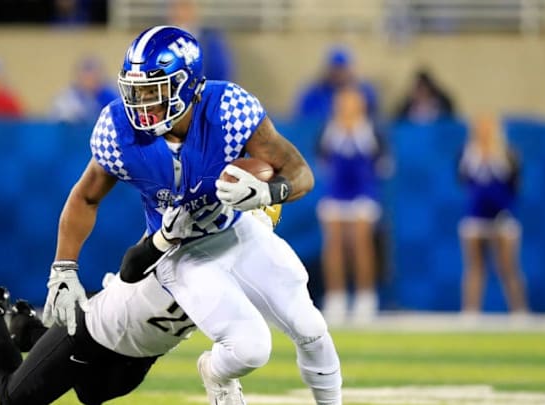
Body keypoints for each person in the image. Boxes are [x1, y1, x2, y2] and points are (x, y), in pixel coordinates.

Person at [44, 26, 342, 405]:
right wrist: (64, 267)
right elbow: (85, 197)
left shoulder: (228, 109)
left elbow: (301, 173)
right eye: (135, 90)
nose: (141, 102)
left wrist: (269, 192)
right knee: (250, 348)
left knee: (311, 327)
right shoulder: (118, 129)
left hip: (236, 231)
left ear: (187, 85)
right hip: (179, 252)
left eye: (153, 90)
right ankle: (216, 374)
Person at [0, 206, 278, 404]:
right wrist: (163, 239)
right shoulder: (191, 227)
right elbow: (133, 264)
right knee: (14, 398)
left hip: (141, 353)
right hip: (95, 327)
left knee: (91, 393)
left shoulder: (251, 263)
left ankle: (26, 330)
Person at [315, 87, 389, 324]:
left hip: (362, 195)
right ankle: (336, 297)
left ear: (361, 107)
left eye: (351, 105)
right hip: (336, 195)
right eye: (342, 105)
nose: (346, 109)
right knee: (333, 243)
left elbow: (384, 165)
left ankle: (365, 298)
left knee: (361, 242)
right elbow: (322, 160)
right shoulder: (329, 131)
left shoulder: (371, 131)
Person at [458, 114, 528, 314]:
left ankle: (520, 311)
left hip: (503, 217)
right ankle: (470, 312)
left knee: (508, 267)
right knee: (475, 268)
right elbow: (463, 181)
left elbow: (516, 185)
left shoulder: (508, 154)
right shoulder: (467, 155)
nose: (484, 132)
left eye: (488, 128)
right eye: (480, 128)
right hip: (475, 217)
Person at [294, 45, 378, 123]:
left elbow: (374, 120)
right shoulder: (314, 93)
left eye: (342, 68)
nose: (339, 73)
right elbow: (302, 121)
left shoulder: (365, 92)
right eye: (335, 68)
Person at [167, 0, 234, 81]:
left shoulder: (210, 41)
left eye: (184, 7)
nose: (179, 13)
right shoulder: (161, 41)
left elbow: (220, 74)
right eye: (175, 8)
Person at [50, 57, 119, 123]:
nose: (90, 79)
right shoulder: (68, 98)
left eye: (93, 75)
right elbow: (58, 119)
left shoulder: (109, 96)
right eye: (86, 76)